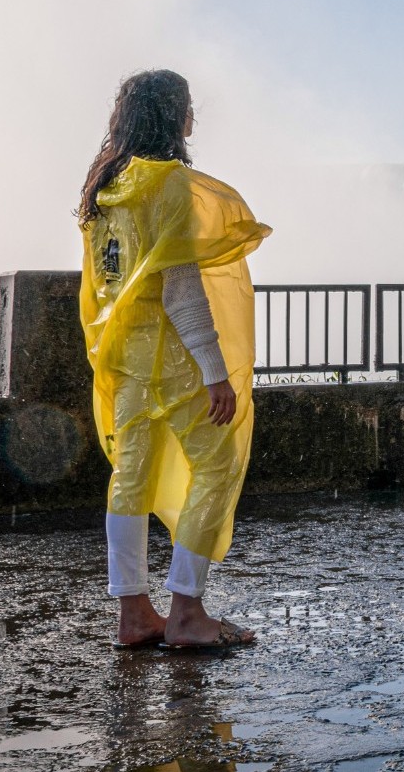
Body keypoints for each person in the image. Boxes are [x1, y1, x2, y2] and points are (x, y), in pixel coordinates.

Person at [77, 69, 271, 650]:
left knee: (129, 478)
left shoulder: (102, 190)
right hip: (176, 362)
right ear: (172, 117)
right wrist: (217, 373)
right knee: (218, 464)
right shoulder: (170, 187)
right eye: (187, 108)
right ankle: (187, 611)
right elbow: (181, 292)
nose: (193, 119)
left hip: (125, 359)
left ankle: (133, 614)